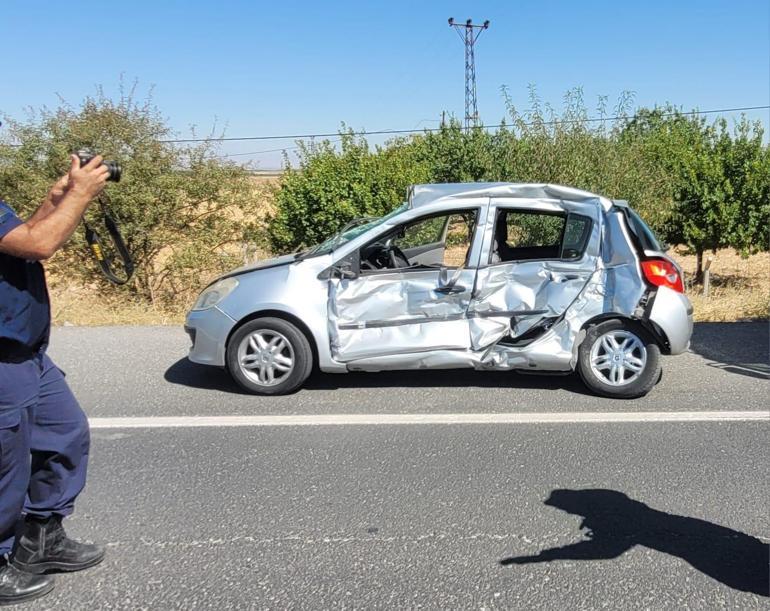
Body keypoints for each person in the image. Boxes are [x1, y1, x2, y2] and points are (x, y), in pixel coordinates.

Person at [0, 151, 110, 605]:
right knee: (5, 468)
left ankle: (41, 538)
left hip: (26, 353)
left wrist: (57, 198)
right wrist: (80, 195)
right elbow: (39, 244)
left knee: (66, 432)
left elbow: (21, 235)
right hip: (3, 359)